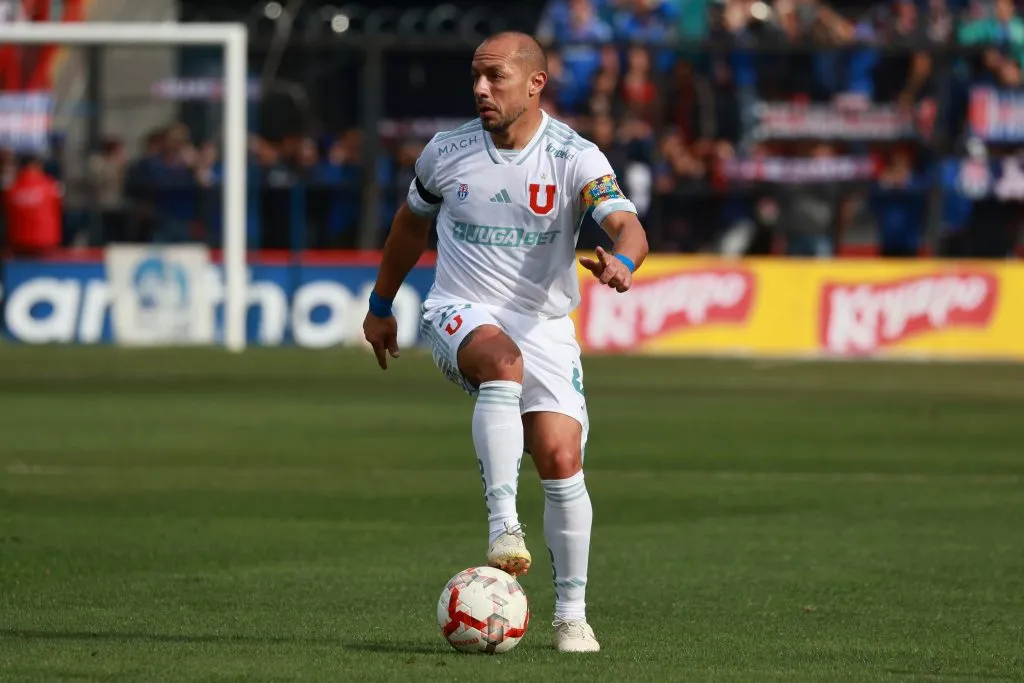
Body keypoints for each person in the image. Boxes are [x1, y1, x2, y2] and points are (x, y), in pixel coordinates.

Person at [362, 31, 649, 653]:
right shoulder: (446, 152)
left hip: (544, 324)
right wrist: (381, 305)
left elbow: (627, 225)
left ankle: (571, 615)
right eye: (475, 77)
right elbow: (409, 228)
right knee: (501, 363)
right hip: (459, 309)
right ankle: (503, 526)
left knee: (560, 460)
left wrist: (623, 262)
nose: (480, 90)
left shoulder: (575, 157)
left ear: (535, 83)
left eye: (494, 77)